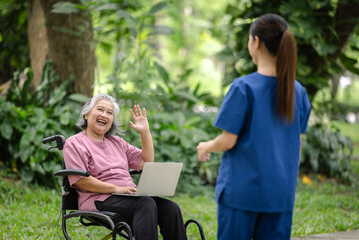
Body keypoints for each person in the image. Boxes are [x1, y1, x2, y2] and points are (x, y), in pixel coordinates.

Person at [196, 14, 311, 240]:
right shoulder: (298, 92)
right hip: (280, 195)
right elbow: (296, 145)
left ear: (256, 42)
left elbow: (228, 140)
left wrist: (206, 146)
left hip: (242, 193)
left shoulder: (243, 87)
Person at [63, 93, 187, 240]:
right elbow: (80, 180)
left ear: (112, 121)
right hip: (98, 198)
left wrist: (145, 132)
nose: (105, 115)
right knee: (145, 204)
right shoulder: (75, 143)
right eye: (100, 110)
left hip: (127, 196)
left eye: (109, 113)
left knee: (170, 208)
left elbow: (146, 163)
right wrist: (117, 189)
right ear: (86, 114)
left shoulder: (118, 142)